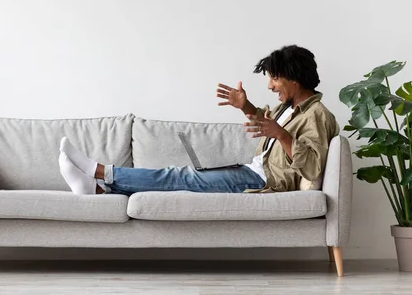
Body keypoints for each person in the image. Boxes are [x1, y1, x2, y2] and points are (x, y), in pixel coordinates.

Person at [58, 45, 339, 195]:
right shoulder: (288, 107)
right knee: (179, 174)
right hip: (252, 169)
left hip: (264, 181)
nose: (270, 86)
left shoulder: (317, 115)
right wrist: (245, 106)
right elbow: (267, 127)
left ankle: (99, 172)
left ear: (295, 77)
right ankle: (96, 189)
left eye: (274, 78)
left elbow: (314, 167)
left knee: (180, 177)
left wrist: (282, 135)